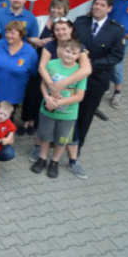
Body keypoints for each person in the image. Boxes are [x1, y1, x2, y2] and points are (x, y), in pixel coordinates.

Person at [67, 0, 125, 178]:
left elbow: (116, 56)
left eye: (102, 5)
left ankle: (77, 146)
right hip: (74, 76)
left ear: (109, 8)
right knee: (68, 110)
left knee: (86, 114)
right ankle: (61, 139)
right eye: (96, 4)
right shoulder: (80, 22)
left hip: (96, 79)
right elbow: (71, 44)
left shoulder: (116, 30)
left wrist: (91, 64)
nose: (97, 7)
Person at [31, 39, 87, 179]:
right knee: (45, 137)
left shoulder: (80, 72)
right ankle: (42, 158)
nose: (69, 55)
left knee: (61, 140)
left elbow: (79, 96)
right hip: (48, 110)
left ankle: (54, 162)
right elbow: (43, 84)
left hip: (68, 114)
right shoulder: (51, 64)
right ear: (61, 50)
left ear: (78, 55)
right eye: (67, 51)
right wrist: (46, 97)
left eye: (73, 53)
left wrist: (60, 102)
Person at [19, 0, 69, 135]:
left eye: (59, 8)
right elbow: (27, 37)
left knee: (43, 94)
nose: (55, 10)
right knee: (30, 93)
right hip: (36, 62)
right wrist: (39, 41)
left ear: (65, 10)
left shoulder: (66, 26)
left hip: (52, 66)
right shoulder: (40, 20)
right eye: (54, 7)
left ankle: (34, 121)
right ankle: (24, 121)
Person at [0, 21, 38, 105]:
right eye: (7, 32)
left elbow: (33, 72)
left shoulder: (30, 53)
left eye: (13, 33)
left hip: (13, 96)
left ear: (21, 35)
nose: (9, 35)